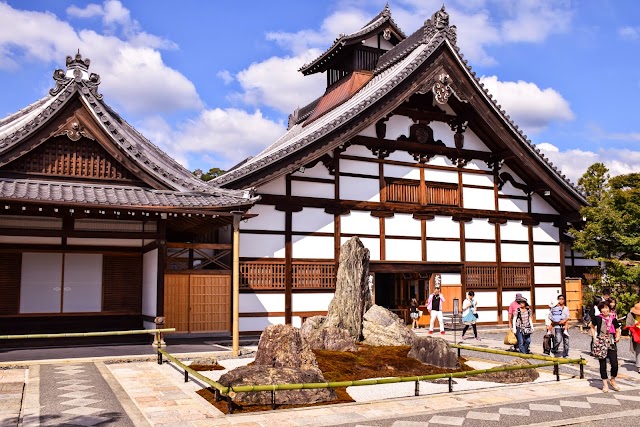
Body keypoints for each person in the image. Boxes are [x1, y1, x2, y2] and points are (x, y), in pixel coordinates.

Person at [590, 300, 621, 392]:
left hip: (611, 341)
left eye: (606, 308)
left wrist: (618, 336)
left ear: (609, 308)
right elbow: (592, 326)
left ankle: (612, 379)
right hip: (601, 341)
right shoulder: (597, 318)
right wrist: (594, 337)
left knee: (614, 363)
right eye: (603, 308)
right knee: (602, 363)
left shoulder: (613, 318)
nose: (605, 310)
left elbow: (617, 329)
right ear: (600, 310)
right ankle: (605, 384)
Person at [625, 302, 640, 374]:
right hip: (636, 335)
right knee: (638, 350)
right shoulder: (631, 315)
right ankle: (639, 366)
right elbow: (628, 324)